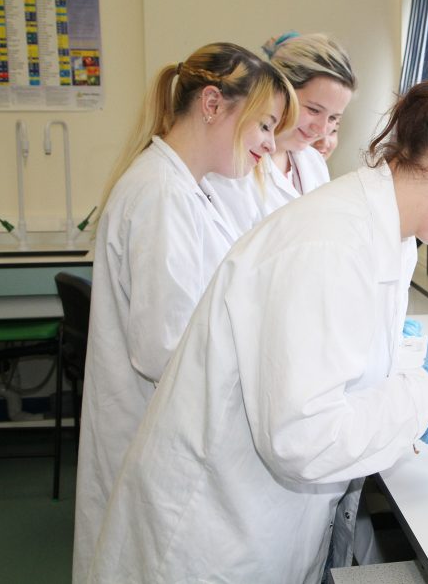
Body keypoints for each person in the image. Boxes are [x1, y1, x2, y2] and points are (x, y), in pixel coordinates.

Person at [87, 21, 428, 584]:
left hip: (263, 520)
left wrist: (416, 409)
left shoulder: (389, 233)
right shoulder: (329, 242)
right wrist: (426, 390)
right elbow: (301, 439)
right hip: (211, 538)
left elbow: (338, 370)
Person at [73, 43, 296, 584]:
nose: (270, 143)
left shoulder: (187, 189)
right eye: (265, 125)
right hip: (151, 438)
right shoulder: (161, 194)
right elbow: (162, 347)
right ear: (213, 104)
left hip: (161, 435)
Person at [207, 31, 355, 235]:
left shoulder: (314, 163)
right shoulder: (234, 167)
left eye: (333, 118)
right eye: (313, 110)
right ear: (280, 90)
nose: (322, 130)